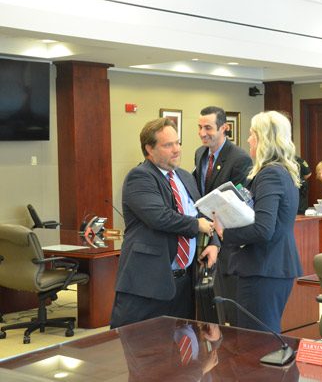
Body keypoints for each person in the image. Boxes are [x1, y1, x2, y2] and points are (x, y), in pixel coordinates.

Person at [110, 118, 218, 328]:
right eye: (168, 145)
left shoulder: (186, 177)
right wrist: (197, 226)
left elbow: (206, 215)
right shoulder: (140, 177)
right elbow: (159, 217)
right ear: (149, 149)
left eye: (178, 143)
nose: (176, 150)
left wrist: (214, 243)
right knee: (143, 350)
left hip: (184, 283)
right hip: (147, 284)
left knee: (180, 351)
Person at [213, 111, 303, 333]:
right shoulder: (284, 172)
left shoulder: (269, 174)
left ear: (264, 139)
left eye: (252, 134)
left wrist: (226, 233)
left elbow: (263, 229)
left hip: (264, 268)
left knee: (256, 342)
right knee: (264, 338)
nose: (248, 140)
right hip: (273, 266)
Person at [193, 106, 252, 325]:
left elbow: (235, 211)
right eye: (199, 127)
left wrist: (217, 241)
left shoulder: (240, 159)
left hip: (228, 244)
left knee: (230, 310)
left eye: (208, 128)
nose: (202, 133)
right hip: (203, 237)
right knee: (209, 309)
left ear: (224, 128)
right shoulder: (200, 153)